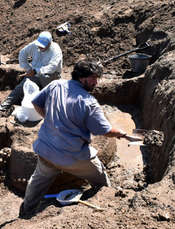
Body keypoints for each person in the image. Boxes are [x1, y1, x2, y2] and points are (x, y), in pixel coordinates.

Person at [19, 61, 130, 218]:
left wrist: (50, 119)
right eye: (93, 78)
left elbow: (36, 102)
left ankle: (26, 211)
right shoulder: (88, 102)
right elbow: (105, 130)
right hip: (74, 157)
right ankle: (110, 203)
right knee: (100, 180)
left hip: (46, 150)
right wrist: (122, 133)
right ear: (82, 78)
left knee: (37, 182)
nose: (96, 82)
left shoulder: (55, 85)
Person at [0, 31, 62, 117]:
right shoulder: (35, 45)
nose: (40, 47)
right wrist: (28, 69)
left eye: (43, 46)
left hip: (51, 76)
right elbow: (22, 54)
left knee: (48, 95)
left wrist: (36, 71)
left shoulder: (56, 50)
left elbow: (52, 67)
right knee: (20, 87)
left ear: (50, 43)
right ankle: (1, 108)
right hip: (35, 74)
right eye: (39, 45)